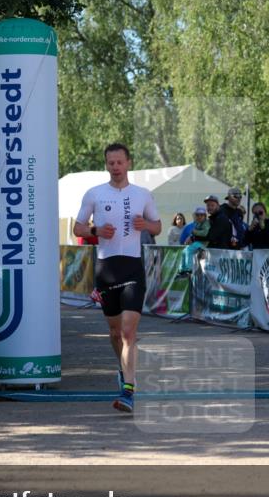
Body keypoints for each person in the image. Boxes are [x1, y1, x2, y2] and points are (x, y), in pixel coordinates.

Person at [73, 143, 161, 414]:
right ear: (106, 165)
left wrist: (145, 225)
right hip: (106, 269)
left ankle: (129, 391)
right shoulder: (94, 193)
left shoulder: (142, 194)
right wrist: (95, 230)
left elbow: (158, 225)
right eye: (110, 163)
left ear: (129, 163)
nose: (115, 167)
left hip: (133, 268)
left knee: (128, 331)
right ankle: (125, 371)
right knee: (114, 333)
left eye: (119, 162)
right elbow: (77, 227)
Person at [180, 206, 211, 272]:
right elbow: (193, 234)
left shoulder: (206, 223)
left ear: (205, 216)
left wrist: (194, 232)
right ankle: (182, 269)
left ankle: (189, 269)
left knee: (189, 250)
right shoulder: (197, 223)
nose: (199, 217)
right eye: (197, 215)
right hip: (197, 243)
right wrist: (190, 237)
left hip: (203, 243)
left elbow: (205, 233)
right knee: (183, 251)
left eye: (201, 215)